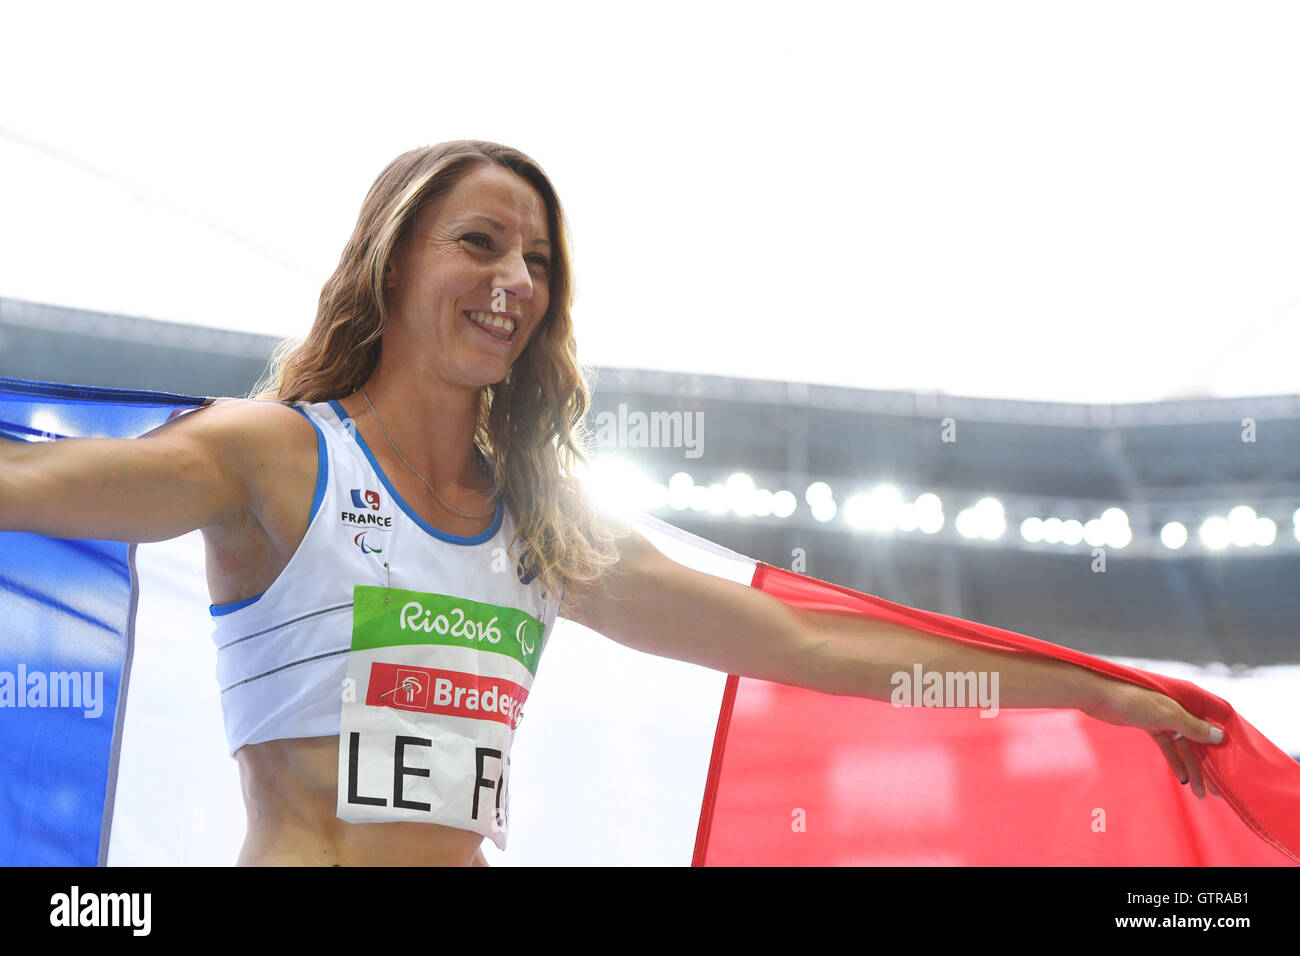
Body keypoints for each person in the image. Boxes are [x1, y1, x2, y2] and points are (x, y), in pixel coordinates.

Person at [1, 140, 1222, 867]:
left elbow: (809, 646)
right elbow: (32, 490)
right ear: (393, 256)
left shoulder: (540, 535)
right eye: (479, 243)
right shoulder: (269, 456)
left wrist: (1092, 687)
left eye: (537, 262)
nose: (514, 282)